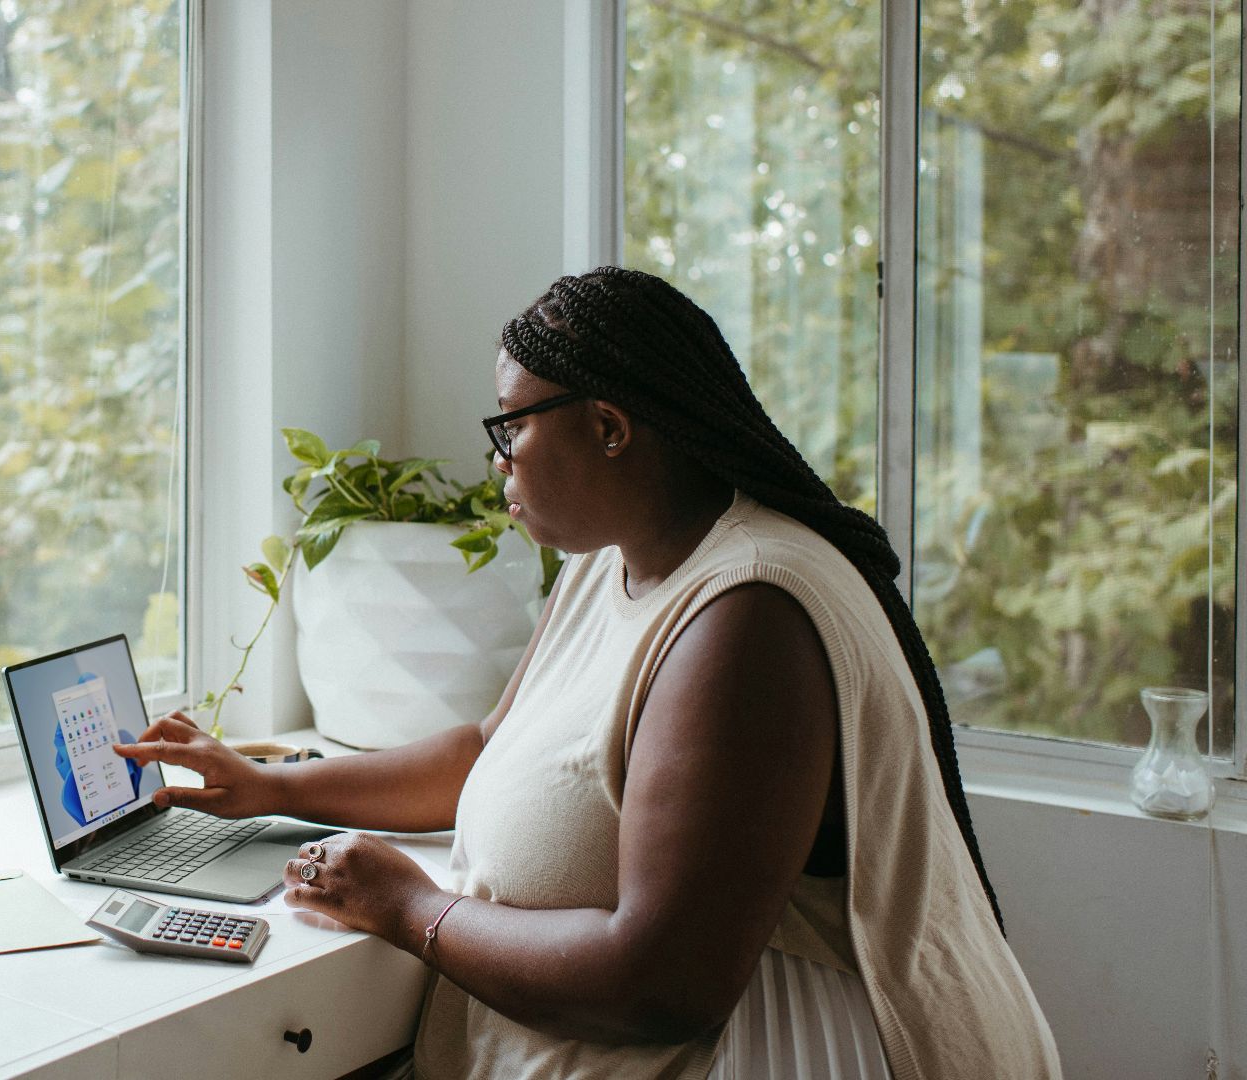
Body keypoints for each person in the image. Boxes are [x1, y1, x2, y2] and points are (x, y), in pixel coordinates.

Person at [113, 267, 1061, 1079]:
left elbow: (659, 985)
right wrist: (274, 784)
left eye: (511, 428)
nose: (497, 463)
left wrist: (412, 908)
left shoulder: (748, 616)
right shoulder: (609, 560)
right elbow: (487, 748)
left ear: (609, 426)